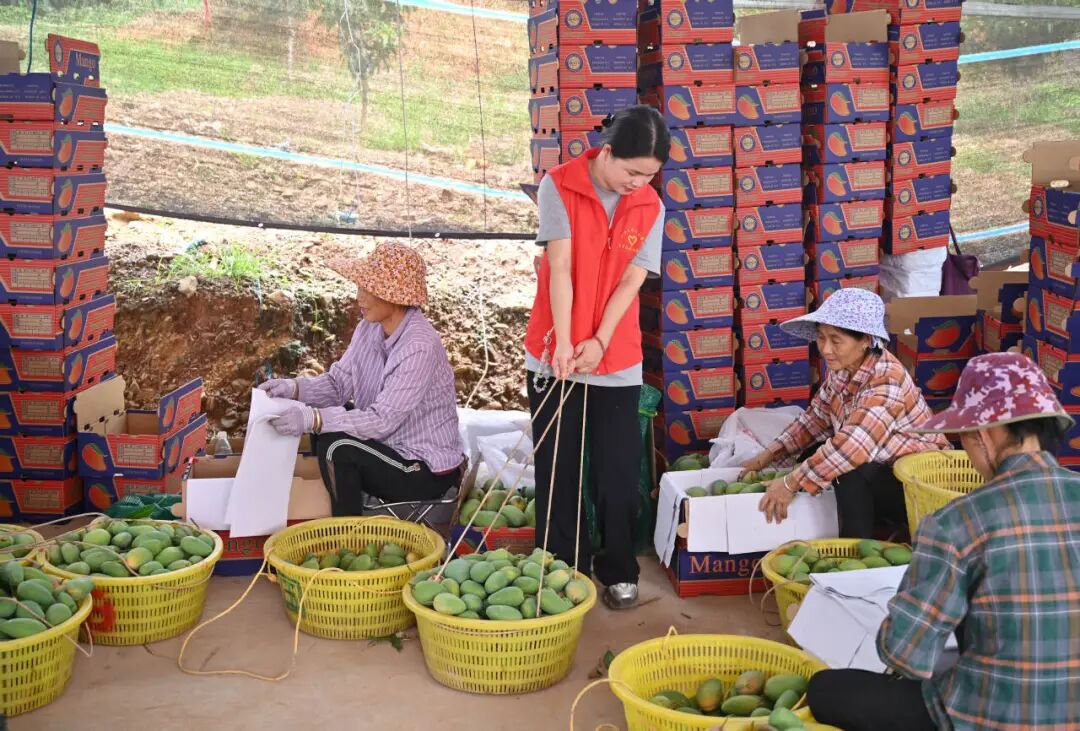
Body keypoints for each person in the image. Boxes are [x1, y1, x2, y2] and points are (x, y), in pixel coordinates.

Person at [807, 352, 1080, 731]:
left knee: (827, 689)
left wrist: (908, 603)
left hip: (988, 715)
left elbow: (904, 654)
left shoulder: (957, 522)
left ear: (983, 435)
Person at [524, 105, 670, 610]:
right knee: (558, 468)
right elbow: (560, 268)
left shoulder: (650, 205)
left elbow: (632, 281)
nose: (638, 184)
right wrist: (565, 343)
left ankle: (619, 568)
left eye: (649, 176)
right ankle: (560, 566)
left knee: (617, 472)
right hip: (554, 350)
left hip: (617, 356)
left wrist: (601, 342)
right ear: (606, 152)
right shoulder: (559, 185)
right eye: (632, 172)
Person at [261, 242, 465, 515]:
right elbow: (338, 385)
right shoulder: (368, 329)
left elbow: (382, 420)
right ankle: (326, 511)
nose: (359, 297)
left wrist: (315, 419)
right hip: (390, 446)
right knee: (327, 425)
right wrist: (295, 388)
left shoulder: (419, 346)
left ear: (393, 296)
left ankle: (348, 531)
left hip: (422, 467)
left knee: (336, 445)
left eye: (367, 289)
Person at [744, 288, 949, 537]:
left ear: (865, 340)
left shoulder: (887, 379)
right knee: (814, 454)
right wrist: (765, 457)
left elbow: (852, 447)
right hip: (884, 469)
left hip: (921, 490)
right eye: (821, 338)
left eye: (836, 340)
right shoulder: (843, 369)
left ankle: (856, 548)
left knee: (847, 469)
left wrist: (790, 483)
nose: (826, 349)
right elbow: (815, 419)